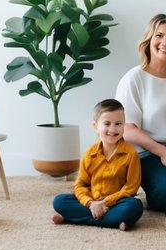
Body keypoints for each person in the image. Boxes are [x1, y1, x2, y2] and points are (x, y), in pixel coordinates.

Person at [115, 13, 166, 212]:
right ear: (148, 40)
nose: (165, 42)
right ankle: (145, 187)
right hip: (147, 153)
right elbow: (128, 129)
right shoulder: (134, 78)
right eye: (159, 35)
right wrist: (165, 153)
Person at [51, 99, 144, 231]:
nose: (113, 129)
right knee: (59, 201)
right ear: (95, 126)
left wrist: (105, 203)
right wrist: (91, 204)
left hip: (117, 203)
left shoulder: (131, 154)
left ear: (124, 125)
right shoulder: (89, 154)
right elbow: (80, 185)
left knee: (135, 206)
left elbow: (131, 188)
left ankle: (72, 218)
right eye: (107, 124)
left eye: (118, 124)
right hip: (92, 201)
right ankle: (112, 221)